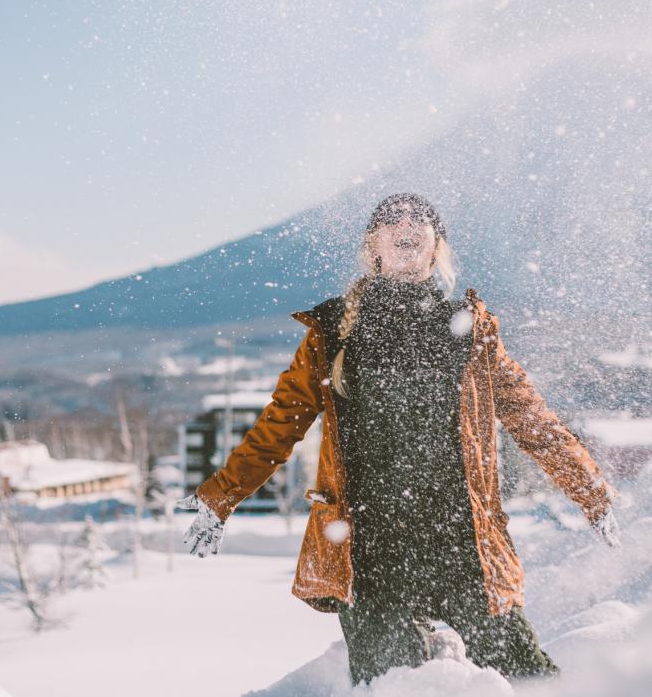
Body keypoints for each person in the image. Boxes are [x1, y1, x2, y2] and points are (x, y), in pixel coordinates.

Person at [177, 192, 621, 686]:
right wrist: (219, 497)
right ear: (375, 248)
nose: (406, 224)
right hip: (370, 555)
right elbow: (276, 430)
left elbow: (533, 421)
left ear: (437, 248)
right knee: (393, 690)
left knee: (526, 679)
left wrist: (593, 494)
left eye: (420, 219)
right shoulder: (331, 335)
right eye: (391, 219)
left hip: (463, 543)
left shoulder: (473, 332)